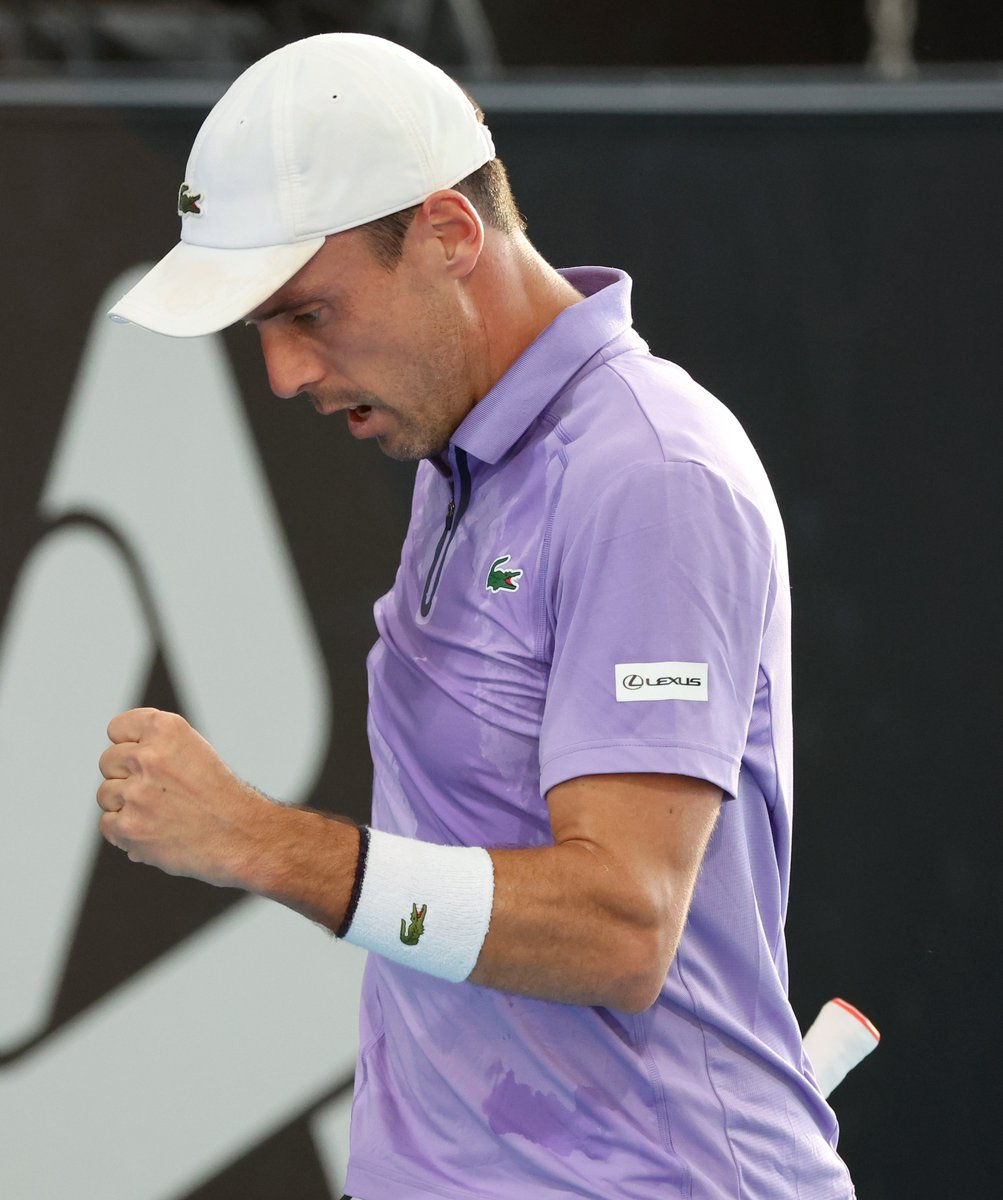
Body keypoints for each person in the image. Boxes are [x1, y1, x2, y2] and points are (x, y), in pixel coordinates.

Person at [98, 32, 855, 1200]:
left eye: (308, 312)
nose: (284, 375)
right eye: (264, 329)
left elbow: (620, 927)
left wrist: (256, 839)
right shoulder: (463, 451)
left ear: (450, 235)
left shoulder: (647, 471)